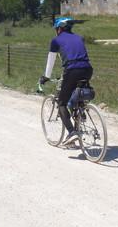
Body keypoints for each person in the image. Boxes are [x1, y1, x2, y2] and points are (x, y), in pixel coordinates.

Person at [39, 17, 93, 146]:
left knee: (62, 103)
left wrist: (46, 76)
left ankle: (72, 132)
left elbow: (51, 60)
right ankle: (80, 112)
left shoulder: (56, 40)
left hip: (72, 70)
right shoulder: (79, 38)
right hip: (87, 69)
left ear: (59, 29)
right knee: (76, 93)